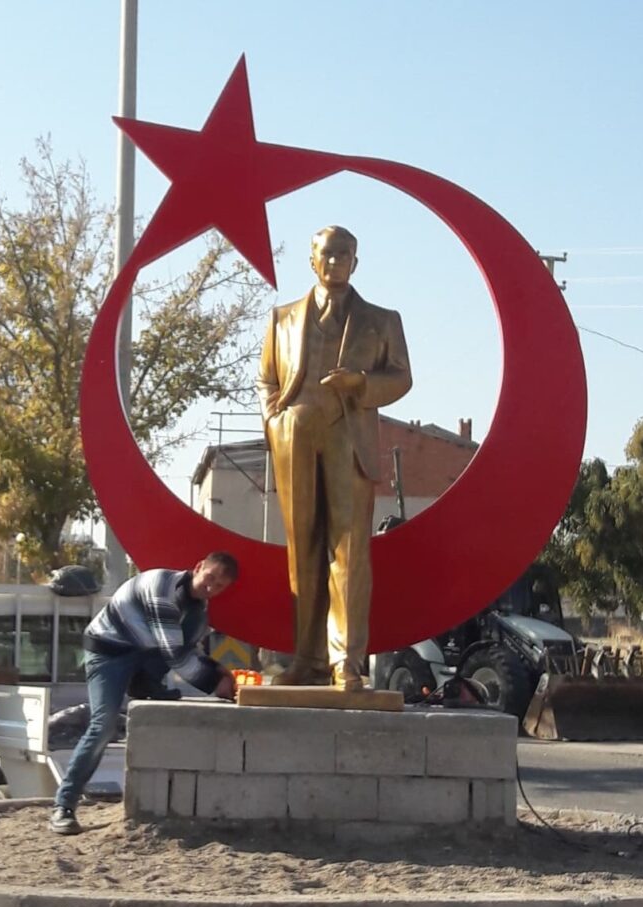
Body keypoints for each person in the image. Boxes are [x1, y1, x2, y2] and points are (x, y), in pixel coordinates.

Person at [257, 226, 412, 691]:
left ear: (355, 263)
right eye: (327, 254)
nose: (335, 262)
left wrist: (361, 383)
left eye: (344, 255)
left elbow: (401, 378)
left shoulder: (383, 320)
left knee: (349, 551)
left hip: (350, 435)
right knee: (302, 549)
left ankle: (346, 661)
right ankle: (307, 660)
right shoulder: (282, 318)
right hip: (296, 435)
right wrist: (275, 421)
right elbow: (266, 379)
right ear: (312, 261)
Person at [50, 551, 238, 835]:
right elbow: (174, 653)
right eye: (209, 578)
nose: (210, 587)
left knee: (187, 637)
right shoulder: (161, 588)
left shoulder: (197, 612)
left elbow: (189, 649)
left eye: (219, 586)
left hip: (143, 651)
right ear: (198, 567)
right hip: (109, 652)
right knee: (103, 725)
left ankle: (146, 684)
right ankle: (64, 805)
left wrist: (219, 669)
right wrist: (216, 684)